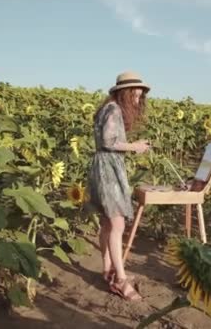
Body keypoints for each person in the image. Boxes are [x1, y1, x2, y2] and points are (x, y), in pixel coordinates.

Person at [88, 71, 151, 301]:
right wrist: (135, 146)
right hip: (108, 170)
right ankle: (122, 281)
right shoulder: (114, 109)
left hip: (102, 166)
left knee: (106, 222)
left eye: (140, 95)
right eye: (134, 94)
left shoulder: (106, 108)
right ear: (124, 93)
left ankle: (108, 269)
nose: (137, 99)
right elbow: (108, 141)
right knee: (117, 224)